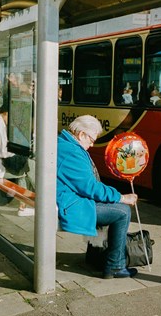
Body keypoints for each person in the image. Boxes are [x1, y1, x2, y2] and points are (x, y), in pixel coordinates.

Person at [57, 115, 138, 279]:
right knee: (122, 212)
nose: (92, 144)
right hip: (69, 204)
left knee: (110, 205)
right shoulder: (72, 152)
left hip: (65, 198)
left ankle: (95, 257)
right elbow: (90, 187)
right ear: (81, 135)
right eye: (91, 139)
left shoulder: (65, 144)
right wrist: (122, 197)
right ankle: (115, 266)